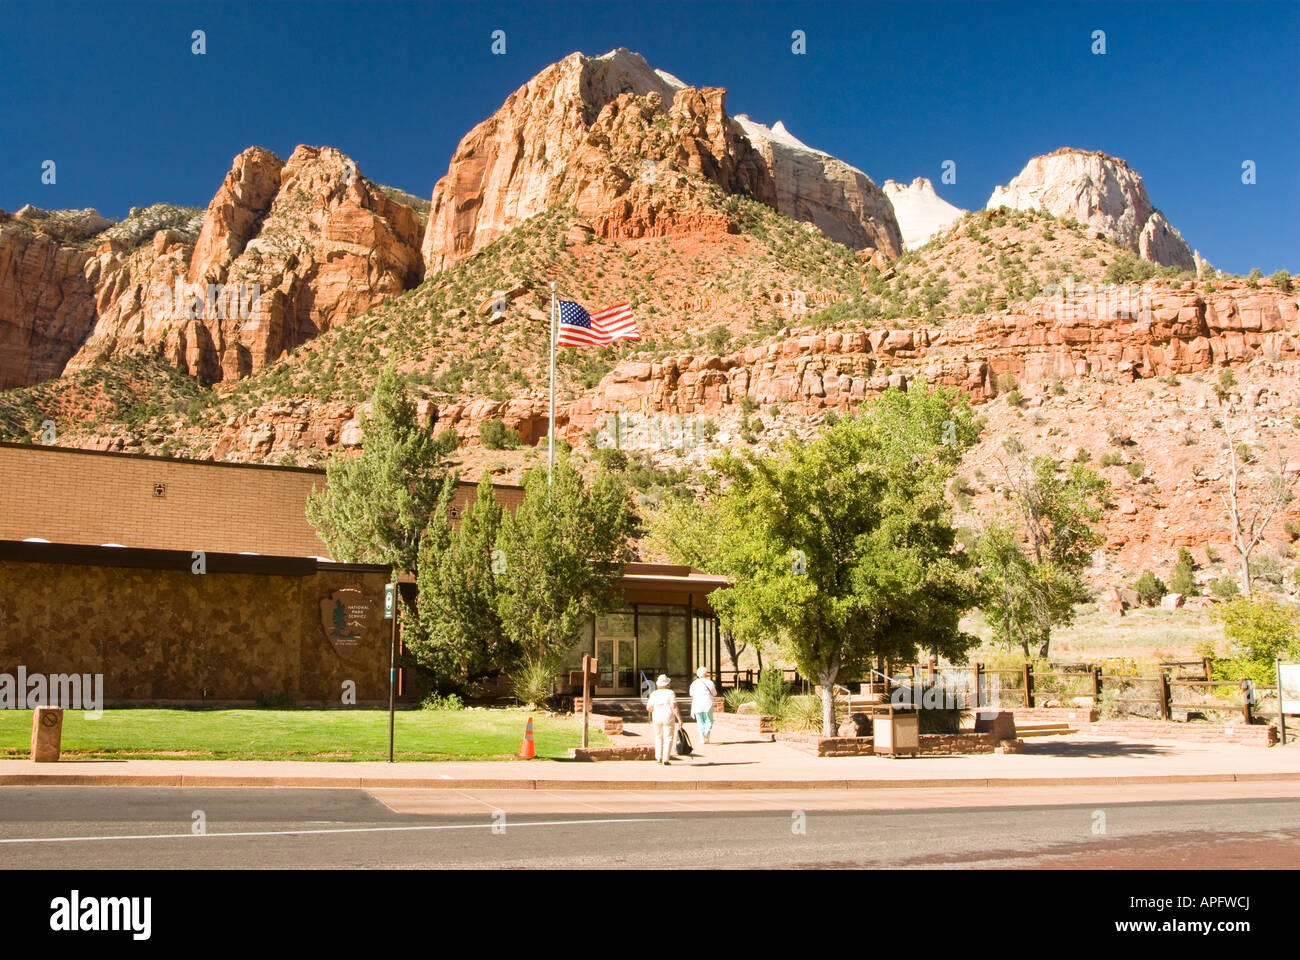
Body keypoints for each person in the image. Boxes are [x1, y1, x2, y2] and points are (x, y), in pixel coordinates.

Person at [646, 675, 680, 765]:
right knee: (668, 737)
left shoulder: (654, 694)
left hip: (657, 715)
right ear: (667, 684)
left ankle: (658, 757)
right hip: (668, 715)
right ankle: (666, 759)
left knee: (658, 737)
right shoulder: (670, 693)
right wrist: (679, 719)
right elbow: (674, 706)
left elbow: (649, 707)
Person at [689, 666, 718, 744]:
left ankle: (702, 739)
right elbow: (714, 693)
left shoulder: (694, 683)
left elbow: (691, 693)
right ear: (706, 674)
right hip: (707, 703)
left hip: (697, 703)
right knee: (709, 720)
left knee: (700, 722)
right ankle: (706, 732)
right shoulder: (709, 682)